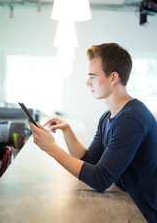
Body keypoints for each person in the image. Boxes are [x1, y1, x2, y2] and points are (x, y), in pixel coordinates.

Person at [29, 43, 157, 223]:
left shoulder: (132, 118)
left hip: (141, 213)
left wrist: (51, 149)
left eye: (93, 76)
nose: (87, 82)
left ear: (113, 77)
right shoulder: (108, 116)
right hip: (125, 203)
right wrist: (67, 131)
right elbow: (90, 162)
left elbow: (100, 180)